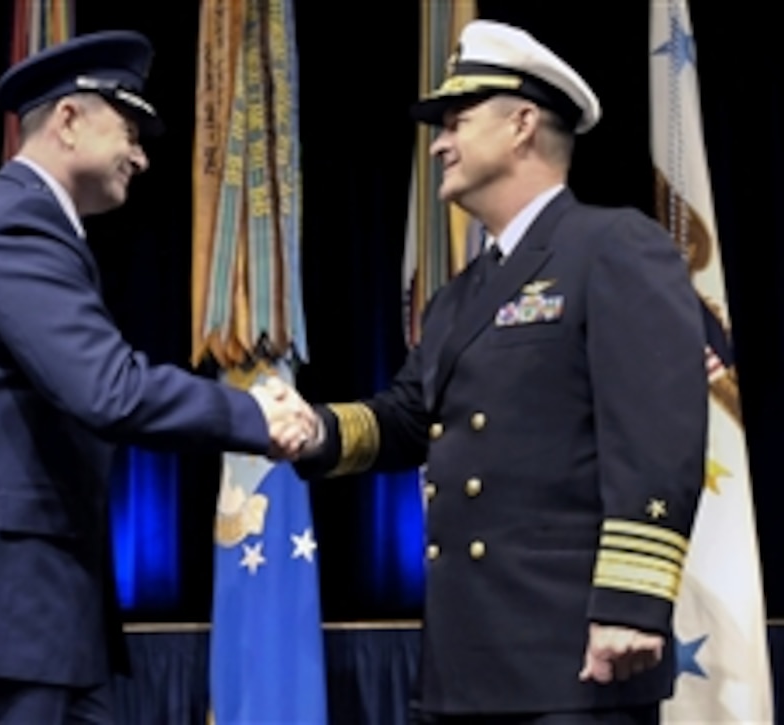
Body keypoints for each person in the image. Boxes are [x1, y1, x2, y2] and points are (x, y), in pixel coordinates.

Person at [0, 30, 312, 724]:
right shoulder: (17, 224)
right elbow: (108, 388)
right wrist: (255, 414)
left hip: (34, 609)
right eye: (130, 129)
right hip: (2, 612)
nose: (141, 155)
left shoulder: (31, 222)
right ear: (71, 120)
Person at [295, 19, 707, 725]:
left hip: (573, 659)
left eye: (456, 121)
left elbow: (657, 435)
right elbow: (406, 415)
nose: (440, 143)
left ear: (521, 125)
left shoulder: (611, 245)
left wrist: (633, 605)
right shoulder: (461, 294)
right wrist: (313, 430)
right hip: (465, 664)